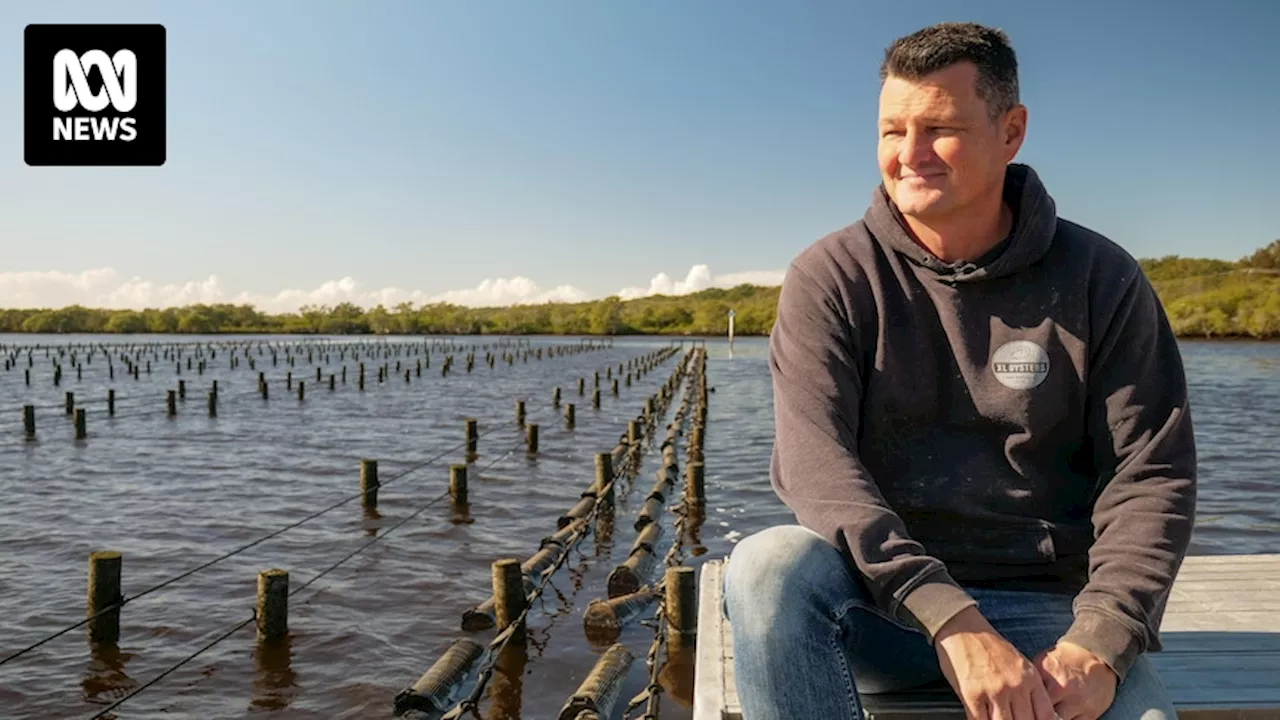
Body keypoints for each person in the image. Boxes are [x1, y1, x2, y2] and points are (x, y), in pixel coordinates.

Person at [723, 21, 1197, 720]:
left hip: (1051, 624)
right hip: (884, 612)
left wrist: (1101, 640)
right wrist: (950, 618)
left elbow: (1150, 474)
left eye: (939, 128)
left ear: (1011, 131)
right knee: (766, 566)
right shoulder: (830, 277)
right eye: (891, 131)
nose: (909, 155)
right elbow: (815, 468)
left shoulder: (1102, 279)